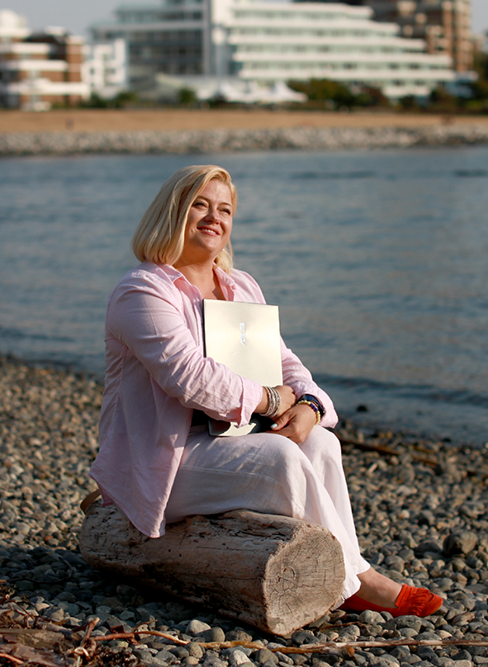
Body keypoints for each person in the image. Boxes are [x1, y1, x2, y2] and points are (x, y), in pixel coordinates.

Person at [89, 164, 443, 617]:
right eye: (199, 204)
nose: (213, 217)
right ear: (171, 211)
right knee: (282, 458)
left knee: (322, 444)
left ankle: (345, 577)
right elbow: (189, 376)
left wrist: (311, 406)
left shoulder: (240, 287)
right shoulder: (142, 291)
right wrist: (273, 401)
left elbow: (284, 361)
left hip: (235, 440)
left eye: (225, 209)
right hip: (166, 461)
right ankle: (361, 581)